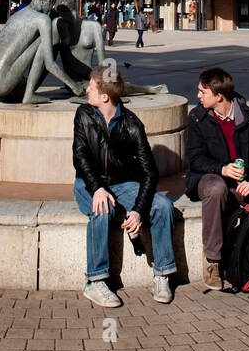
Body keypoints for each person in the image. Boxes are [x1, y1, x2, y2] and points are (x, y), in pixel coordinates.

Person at [72, 64, 176, 307]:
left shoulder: (132, 125)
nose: (86, 89)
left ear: (105, 96)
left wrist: (139, 210)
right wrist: (97, 188)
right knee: (102, 208)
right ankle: (95, 281)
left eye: (92, 86)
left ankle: (162, 274)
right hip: (88, 183)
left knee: (163, 206)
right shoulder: (84, 115)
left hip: (124, 184)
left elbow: (150, 173)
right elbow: (80, 156)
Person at [185, 66, 249, 291]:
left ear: (219, 95)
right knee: (215, 189)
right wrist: (221, 169)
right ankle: (213, 261)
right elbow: (194, 159)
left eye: (202, 92)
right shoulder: (197, 117)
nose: (198, 96)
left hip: (245, 183)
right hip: (211, 178)